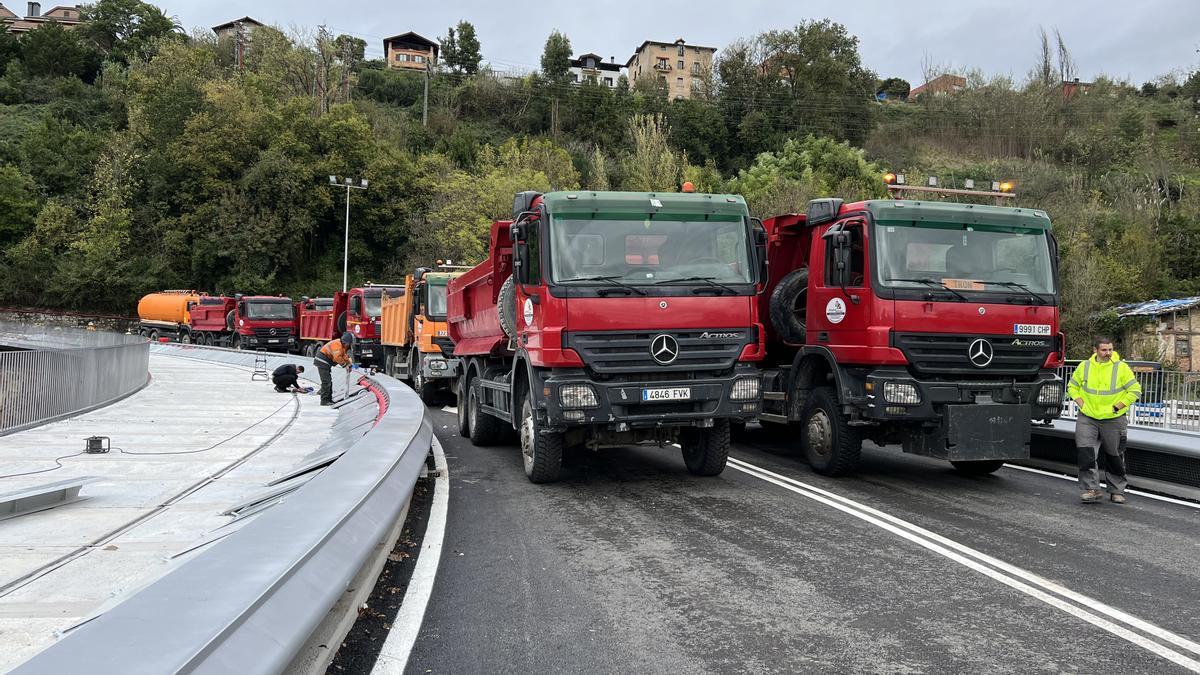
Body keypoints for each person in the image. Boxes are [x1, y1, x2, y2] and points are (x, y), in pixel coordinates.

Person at [1067, 337, 1141, 504]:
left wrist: (1117, 407)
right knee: (1086, 454)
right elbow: (1072, 386)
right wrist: (1081, 403)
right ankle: (1091, 489)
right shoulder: (1084, 367)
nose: (1108, 353)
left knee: (1114, 455)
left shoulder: (1121, 368)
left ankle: (1117, 490)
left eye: (1110, 350)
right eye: (1104, 350)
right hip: (1088, 417)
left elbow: (1135, 390)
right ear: (1095, 350)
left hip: (1114, 418)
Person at [314, 332, 354, 406]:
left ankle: (329, 399)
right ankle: (324, 401)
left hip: (325, 363)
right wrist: (345, 365)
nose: (348, 346)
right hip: (322, 361)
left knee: (329, 382)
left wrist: (349, 364)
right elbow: (337, 357)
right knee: (326, 382)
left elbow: (344, 356)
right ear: (345, 342)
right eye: (348, 344)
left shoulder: (342, 346)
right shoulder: (337, 344)